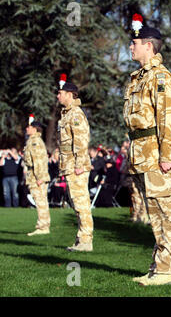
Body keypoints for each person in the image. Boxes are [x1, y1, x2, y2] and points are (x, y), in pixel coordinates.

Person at [125, 14, 171, 286]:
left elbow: (168, 118)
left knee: (165, 211)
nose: (131, 47)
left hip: (156, 154)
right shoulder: (138, 78)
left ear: (149, 45)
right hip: (142, 153)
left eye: (135, 42)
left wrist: (168, 155)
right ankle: (159, 267)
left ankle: (168, 270)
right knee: (154, 213)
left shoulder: (160, 77)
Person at [56, 75, 93, 252]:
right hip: (70, 166)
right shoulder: (68, 114)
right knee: (77, 204)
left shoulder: (76, 115)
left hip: (76, 166)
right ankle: (81, 239)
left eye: (60, 93)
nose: (58, 96)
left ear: (70, 95)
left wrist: (79, 164)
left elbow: (80, 141)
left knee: (81, 203)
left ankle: (86, 241)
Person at [23, 120, 51, 236]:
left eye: (29, 127)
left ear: (34, 129)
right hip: (35, 176)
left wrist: (39, 177)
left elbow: (38, 161)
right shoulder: (32, 141)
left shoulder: (35, 142)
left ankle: (43, 227)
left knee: (40, 202)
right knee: (41, 201)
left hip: (37, 177)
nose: (26, 128)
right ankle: (43, 226)